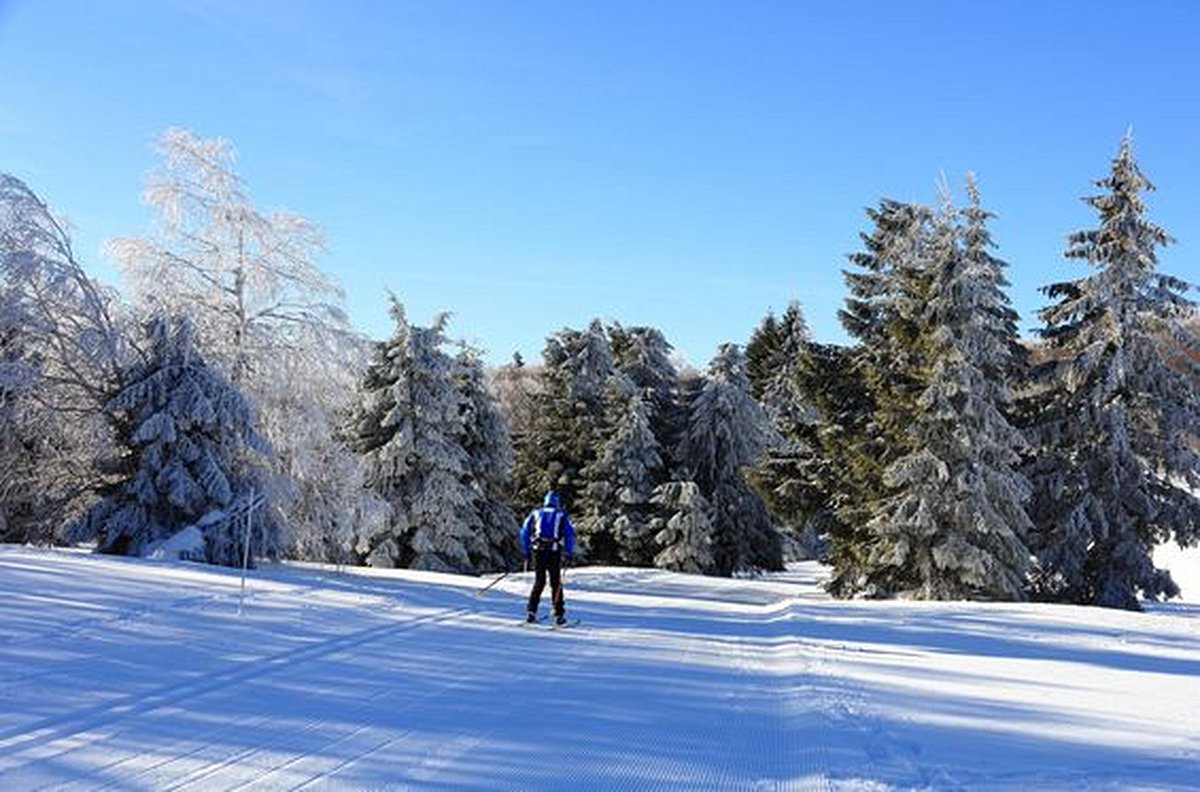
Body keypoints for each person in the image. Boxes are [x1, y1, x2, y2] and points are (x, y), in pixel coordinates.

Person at [519, 490, 575, 625]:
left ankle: (531, 612)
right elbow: (569, 534)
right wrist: (568, 551)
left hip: (538, 551)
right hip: (554, 551)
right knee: (555, 582)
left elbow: (524, 531)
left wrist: (525, 549)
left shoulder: (536, 513)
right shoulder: (561, 515)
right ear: (557, 502)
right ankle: (558, 614)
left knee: (539, 581)